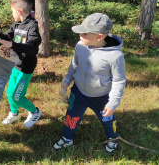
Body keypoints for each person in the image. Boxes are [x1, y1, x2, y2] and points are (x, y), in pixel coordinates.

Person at [53, 13, 126, 154]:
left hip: (101, 97)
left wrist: (112, 103)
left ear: (99, 37)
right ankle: (67, 138)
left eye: (84, 33)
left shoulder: (115, 56)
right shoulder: (80, 45)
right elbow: (74, 64)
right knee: (71, 116)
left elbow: (119, 81)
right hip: (78, 91)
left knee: (107, 120)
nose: (80, 34)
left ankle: (112, 138)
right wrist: (67, 80)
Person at [0, 0, 42, 128]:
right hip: (15, 65)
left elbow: (32, 46)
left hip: (25, 69)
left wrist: (12, 45)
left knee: (17, 96)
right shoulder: (16, 24)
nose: (12, 14)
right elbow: (7, 36)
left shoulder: (32, 26)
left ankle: (35, 112)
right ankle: (14, 113)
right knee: (10, 92)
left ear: (19, 11)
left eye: (12, 11)